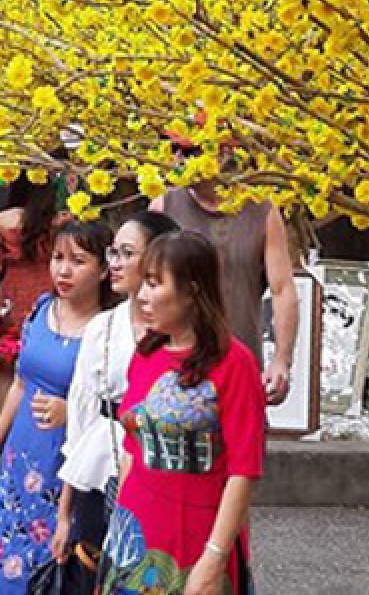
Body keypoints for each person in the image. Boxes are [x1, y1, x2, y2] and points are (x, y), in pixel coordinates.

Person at [100, 230, 267, 595]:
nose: (142, 296)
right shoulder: (146, 355)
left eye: (155, 284)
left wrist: (215, 556)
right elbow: (132, 449)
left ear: (192, 290)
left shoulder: (235, 363)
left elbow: (244, 470)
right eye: (143, 282)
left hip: (199, 535)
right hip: (135, 529)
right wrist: (116, 531)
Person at [0, 220, 114, 595]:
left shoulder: (107, 331)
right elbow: (21, 383)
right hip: (21, 455)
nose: (64, 270)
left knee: (56, 566)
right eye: (58, 258)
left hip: (67, 464)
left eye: (78, 261)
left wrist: (71, 411)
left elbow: (117, 407)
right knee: (7, 555)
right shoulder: (41, 309)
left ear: (104, 269)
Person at [52, 211, 181, 575]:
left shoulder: (181, 333)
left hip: (159, 474)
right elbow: (80, 422)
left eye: (127, 253)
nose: (117, 264)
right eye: (114, 253)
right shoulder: (102, 328)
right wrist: (64, 513)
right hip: (99, 467)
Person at [153, 173, 297, 406]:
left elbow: (282, 289)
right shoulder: (165, 206)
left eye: (193, 152)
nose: (180, 159)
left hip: (240, 361)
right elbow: (144, 286)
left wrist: (282, 360)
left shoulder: (262, 211)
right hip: (174, 364)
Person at [0, 173, 64, 401]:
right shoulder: (60, 223)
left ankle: (5, 425)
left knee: (7, 366)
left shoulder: (4, 220)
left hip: (12, 297)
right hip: (48, 295)